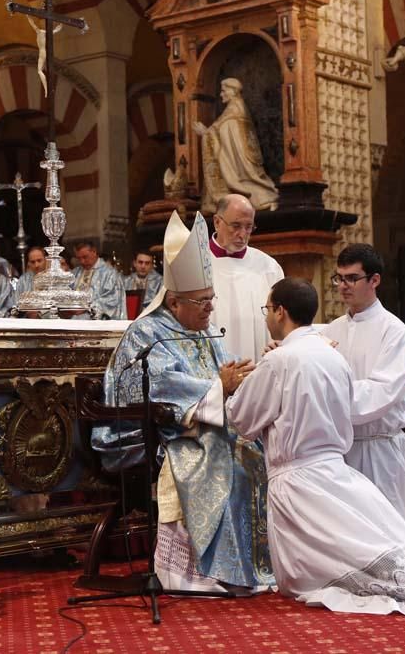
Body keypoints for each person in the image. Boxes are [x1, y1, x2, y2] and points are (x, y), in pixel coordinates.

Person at [227, 278, 405, 614]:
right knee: (367, 537)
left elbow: (242, 419)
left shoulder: (280, 360)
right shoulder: (334, 356)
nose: (266, 317)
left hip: (297, 478)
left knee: (316, 569)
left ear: (280, 311)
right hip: (334, 467)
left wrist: (229, 389)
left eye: (267, 309)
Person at [92, 211, 271, 592]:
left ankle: (251, 566)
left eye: (211, 299)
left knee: (257, 453)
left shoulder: (202, 328)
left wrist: (240, 380)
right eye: (202, 302)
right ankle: (207, 572)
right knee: (230, 468)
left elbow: (221, 374)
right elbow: (157, 387)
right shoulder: (147, 332)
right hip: (150, 435)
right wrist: (218, 388)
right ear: (174, 303)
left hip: (197, 427)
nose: (210, 308)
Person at [319, 245, 405, 525]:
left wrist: (330, 403)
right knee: (349, 530)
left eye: (352, 278)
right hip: (340, 449)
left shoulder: (394, 331)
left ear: (374, 280)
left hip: (378, 449)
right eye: (339, 278)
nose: (343, 286)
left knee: (389, 528)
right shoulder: (330, 330)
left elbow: (382, 391)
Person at [208, 194, 284, 362]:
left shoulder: (269, 268)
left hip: (259, 367)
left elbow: (284, 319)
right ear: (217, 222)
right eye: (235, 226)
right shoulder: (195, 263)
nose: (242, 234)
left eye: (248, 227)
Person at [193, 78, 278, 213]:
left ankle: (253, 196)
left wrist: (205, 133)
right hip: (241, 161)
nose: (221, 94)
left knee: (244, 182)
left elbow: (224, 133)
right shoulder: (237, 108)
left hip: (238, 164)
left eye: (223, 91)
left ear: (232, 91)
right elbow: (221, 131)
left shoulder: (233, 111)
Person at [72, 241, 126, 320]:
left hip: (96, 319)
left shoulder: (110, 274)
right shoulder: (75, 273)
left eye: (85, 257)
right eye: (79, 258)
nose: (82, 261)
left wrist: (86, 307)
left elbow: (112, 300)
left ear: (94, 251)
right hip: (72, 316)